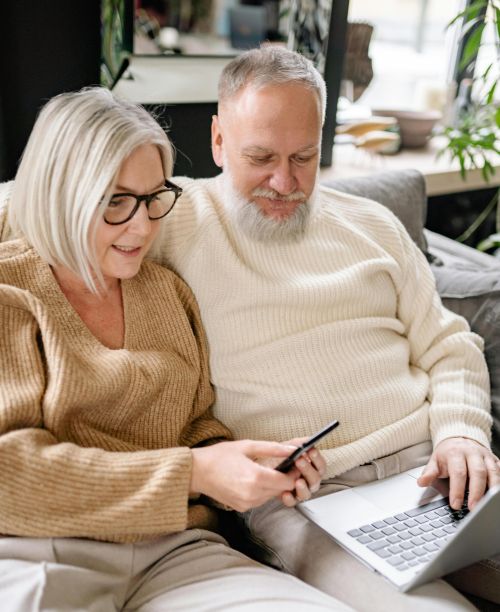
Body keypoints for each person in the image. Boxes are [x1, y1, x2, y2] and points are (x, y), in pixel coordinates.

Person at [143, 47, 499, 611]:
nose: (284, 182)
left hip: (432, 467)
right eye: (259, 157)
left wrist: (462, 433)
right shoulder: (167, 218)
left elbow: (450, 345)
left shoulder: (373, 225)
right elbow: (36, 207)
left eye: (303, 157)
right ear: (217, 140)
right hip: (308, 498)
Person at [0, 87, 352, 611]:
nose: (142, 226)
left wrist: (252, 470)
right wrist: (192, 472)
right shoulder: (13, 294)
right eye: (115, 201)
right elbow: (10, 475)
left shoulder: (166, 293)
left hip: (177, 552)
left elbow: (196, 430)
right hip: (44, 552)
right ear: (59, 194)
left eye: (152, 197)